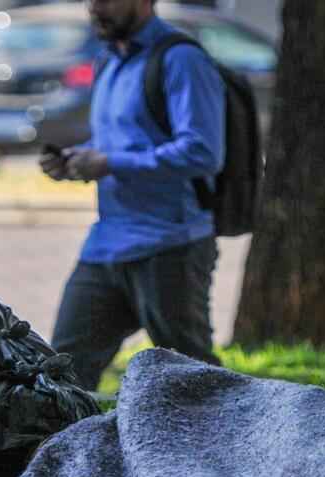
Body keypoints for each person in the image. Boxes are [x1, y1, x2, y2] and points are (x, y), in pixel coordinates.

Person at [41, 0, 226, 391]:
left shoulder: (182, 59)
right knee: (62, 373)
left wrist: (109, 163)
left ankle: (227, 450)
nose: (94, 8)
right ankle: (67, 452)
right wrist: (78, 160)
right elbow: (119, 142)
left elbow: (203, 151)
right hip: (107, 244)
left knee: (196, 382)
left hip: (171, 244)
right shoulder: (107, 62)